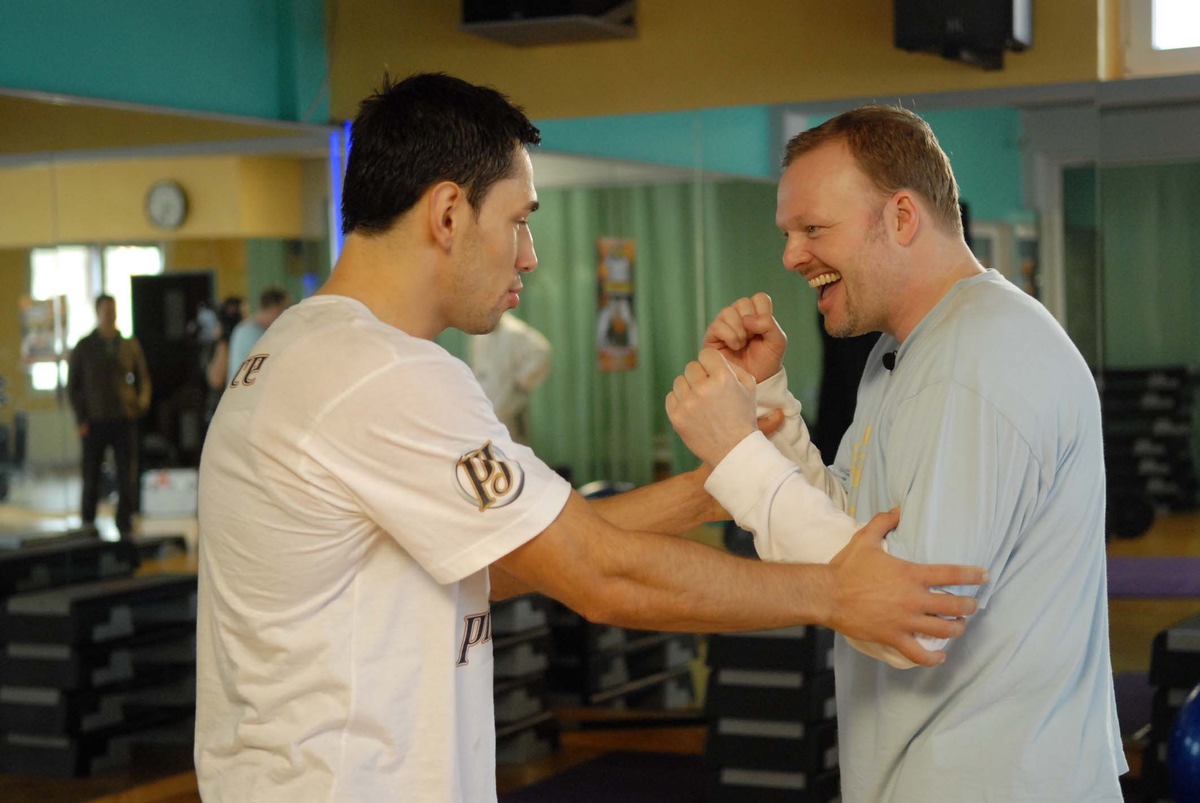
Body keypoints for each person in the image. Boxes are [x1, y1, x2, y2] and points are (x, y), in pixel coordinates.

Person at [194, 75, 985, 802]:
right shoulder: (381, 373)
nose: (529, 255)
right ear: (445, 214)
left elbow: (507, 560)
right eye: (518, 222)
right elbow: (600, 576)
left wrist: (724, 485)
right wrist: (838, 593)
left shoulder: (302, 347)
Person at [666, 105, 1125, 801]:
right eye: (788, 233)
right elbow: (852, 536)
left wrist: (736, 454)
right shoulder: (909, 352)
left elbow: (912, 619)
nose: (791, 256)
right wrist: (768, 406)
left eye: (814, 229)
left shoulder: (979, 360)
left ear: (903, 218)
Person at [67, 294, 152, 539]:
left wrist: (140, 403)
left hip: (123, 418)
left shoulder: (128, 344)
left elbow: (143, 378)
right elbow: (74, 386)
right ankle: (88, 523)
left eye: (113, 310)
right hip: (94, 421)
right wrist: (81, 419)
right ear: (97, 312)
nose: (110, 315)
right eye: (105, 310)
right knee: (91, 475)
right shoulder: (84, 346)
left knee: (127, 474)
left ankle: (124, 521)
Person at [468, 311, 552, 444]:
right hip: (485, 404)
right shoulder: (480, 335)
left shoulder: (514, 332)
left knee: (513, 451)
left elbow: (541, 352)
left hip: (510, 406)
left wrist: (522, 380)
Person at [224, 285, 291, 385]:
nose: (289, 316)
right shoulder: (252, 333)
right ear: (274, 308)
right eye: (286, 309)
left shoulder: (246, 328)